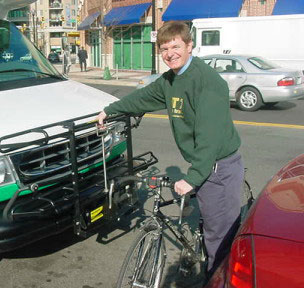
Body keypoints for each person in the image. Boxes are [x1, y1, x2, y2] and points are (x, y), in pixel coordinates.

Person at [96, 21, 244, 281]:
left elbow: (209, 136)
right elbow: (144, 96)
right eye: (164, 48)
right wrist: (112, 109)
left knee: (218, 240)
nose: (169, 53)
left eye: (175, 46)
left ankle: (218, 281)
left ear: (189, 46)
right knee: (207, 226)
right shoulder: (171, 79)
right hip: (204, 162)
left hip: (218, 167)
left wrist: (193, 177)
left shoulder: (207, 82)